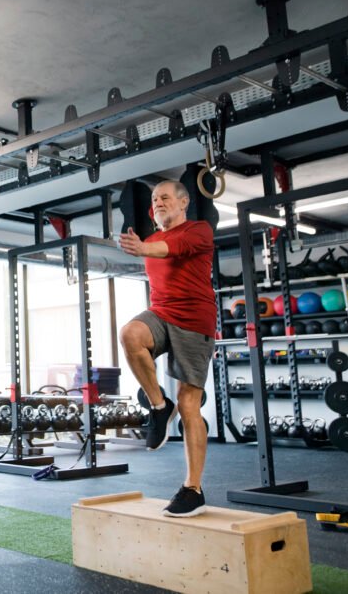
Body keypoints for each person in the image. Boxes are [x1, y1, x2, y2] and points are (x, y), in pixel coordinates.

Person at [118, 179, 216, 518]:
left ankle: (193, 488)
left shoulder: (199, 231)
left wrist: (143, 248)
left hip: (194, 322)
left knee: (190, 403)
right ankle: (159, 407)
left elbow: (168, 251)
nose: (158, 202)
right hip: (160, 314)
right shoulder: (153, 238)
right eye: (154, 199)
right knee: (130, 333)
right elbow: (156, 250)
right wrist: (144, 244)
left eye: (165, 197)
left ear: (183, 202)